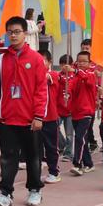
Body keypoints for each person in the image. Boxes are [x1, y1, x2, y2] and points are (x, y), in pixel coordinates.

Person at [0, 16, 47, 206]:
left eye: (17, 32)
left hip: (30, 119)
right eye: (10, 32)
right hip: (7, 118)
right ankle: (5, 193)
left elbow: (41, 89)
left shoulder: (36, 58)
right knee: (8, 157)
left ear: (25, 33)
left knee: (32, 157)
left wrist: (38, 116)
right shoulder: (2, 58)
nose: (13, 35)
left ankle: (35, 190)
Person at [69, 51, 97, 176]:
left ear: (90, 63)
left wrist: (75, 71)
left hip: (86, 112)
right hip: (75, 112)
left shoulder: (91, 74)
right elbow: (71, 87)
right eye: (79, 61)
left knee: (79, 137)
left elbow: (86, 79)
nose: (81, 64)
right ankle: (89, 164)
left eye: (84, 61)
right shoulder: (75, 76)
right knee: (82, 140)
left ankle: (77, 164)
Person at [38, 50, 61, 183]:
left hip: (50, 118)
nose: (40, 64)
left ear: (49, 62)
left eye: (43, 61)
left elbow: (45, 77)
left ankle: (54, 172)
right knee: (36, 147)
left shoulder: (53, 75)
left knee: (51, 147)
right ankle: (38, 170)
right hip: (36, 118)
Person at [57, 55, 74, 162]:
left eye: (65, 64)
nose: (63, 66)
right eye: (61, 64)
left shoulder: (74, 76)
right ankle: (61, 144)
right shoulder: (58, 76)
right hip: (58, 109)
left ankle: (68, 153)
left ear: (71, 65)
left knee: (69, 134)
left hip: (70, 111)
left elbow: (72, 84)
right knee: (54, 128)